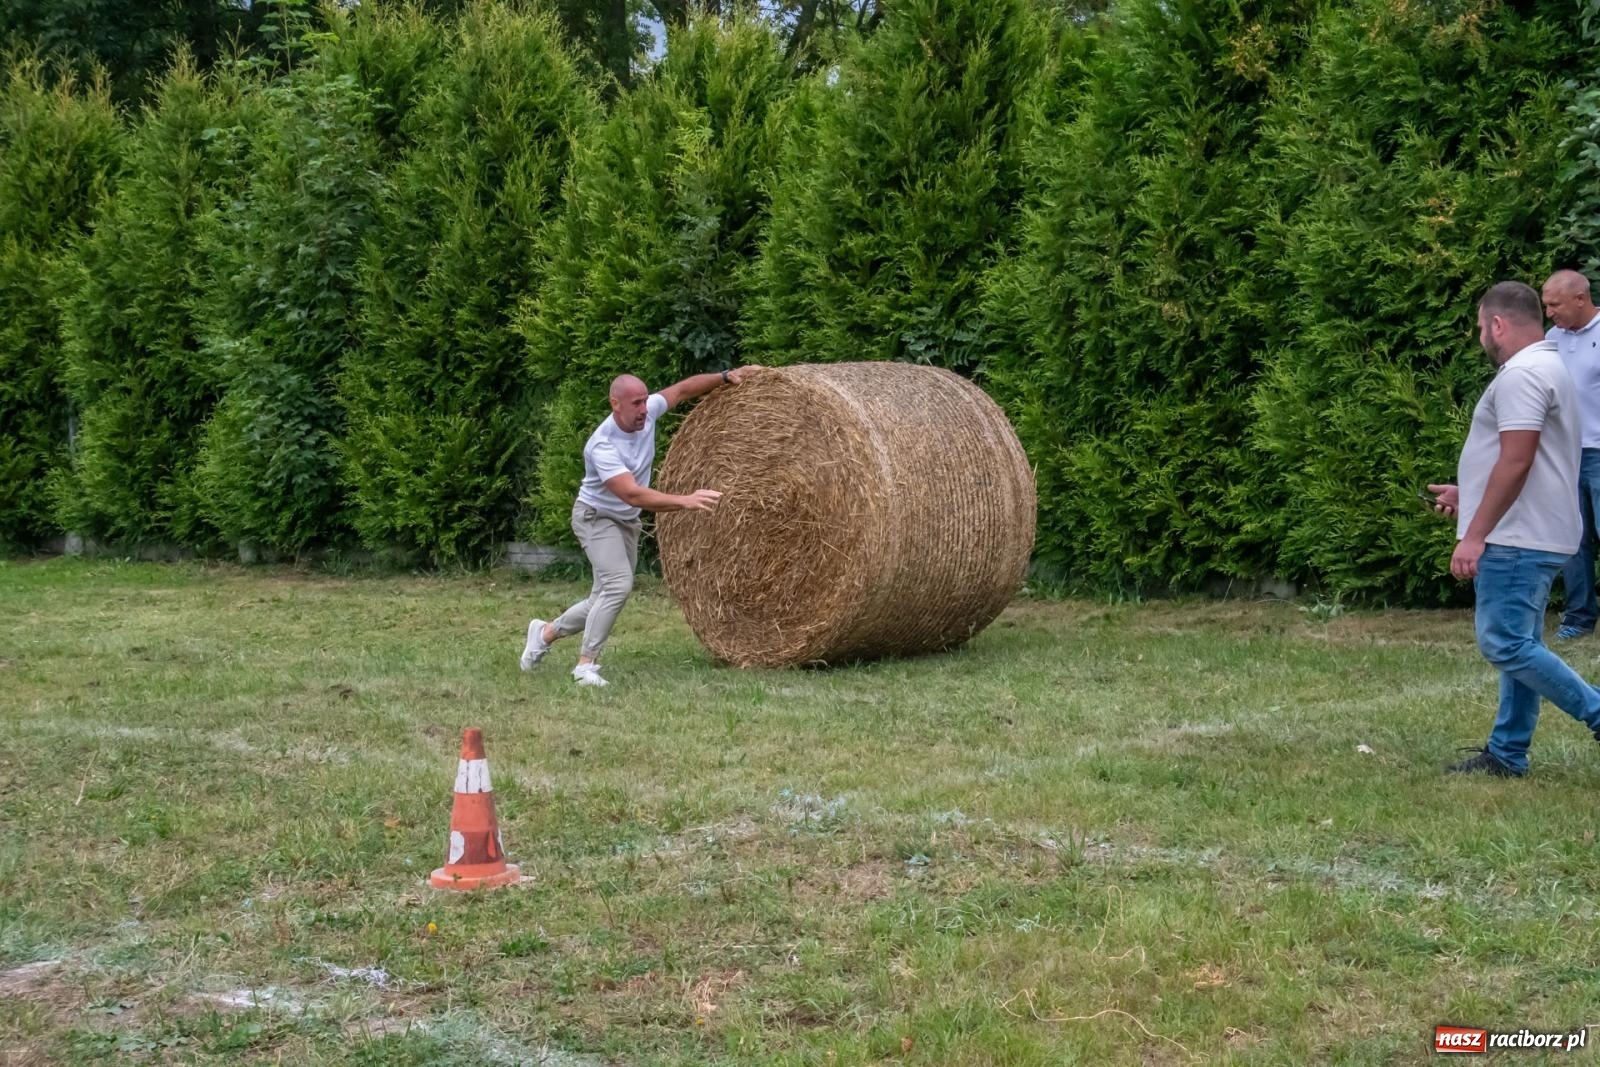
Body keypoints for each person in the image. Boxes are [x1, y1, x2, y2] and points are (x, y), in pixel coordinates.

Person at [1425, 281, 1600, 776]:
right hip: (1533, 530)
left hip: (1517, 538)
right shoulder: (1549, 366)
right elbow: (1532, 460)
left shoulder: (1523, 374)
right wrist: (1470, 494)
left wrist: (1474, 533)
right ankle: (1507, 753)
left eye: (1481, 326)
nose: (1480, 335)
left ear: (1497, 324)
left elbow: (1517, 458)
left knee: (1504, 642)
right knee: (1521, 643)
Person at [519, 366, 761, 687]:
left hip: (624, 521)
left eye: (645, 401)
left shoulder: (647, 415)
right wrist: (684, 500)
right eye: (635, 403)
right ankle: (585, 666)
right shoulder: (602, 445)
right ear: (614, 404)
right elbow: (632, 494)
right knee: (619, 585)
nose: (643, 409)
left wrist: (724, 376)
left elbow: (682, 390)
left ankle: (544, 632)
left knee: (601, 599)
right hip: (596, 517)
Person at [1543, 270, 1600, 640]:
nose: (1549, 312)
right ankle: (1579, 619)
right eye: (1546, 304)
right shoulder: (1551, 339)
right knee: (1572, 539)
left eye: (1555, 304)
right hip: (1565, 452)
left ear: (1581, 298)